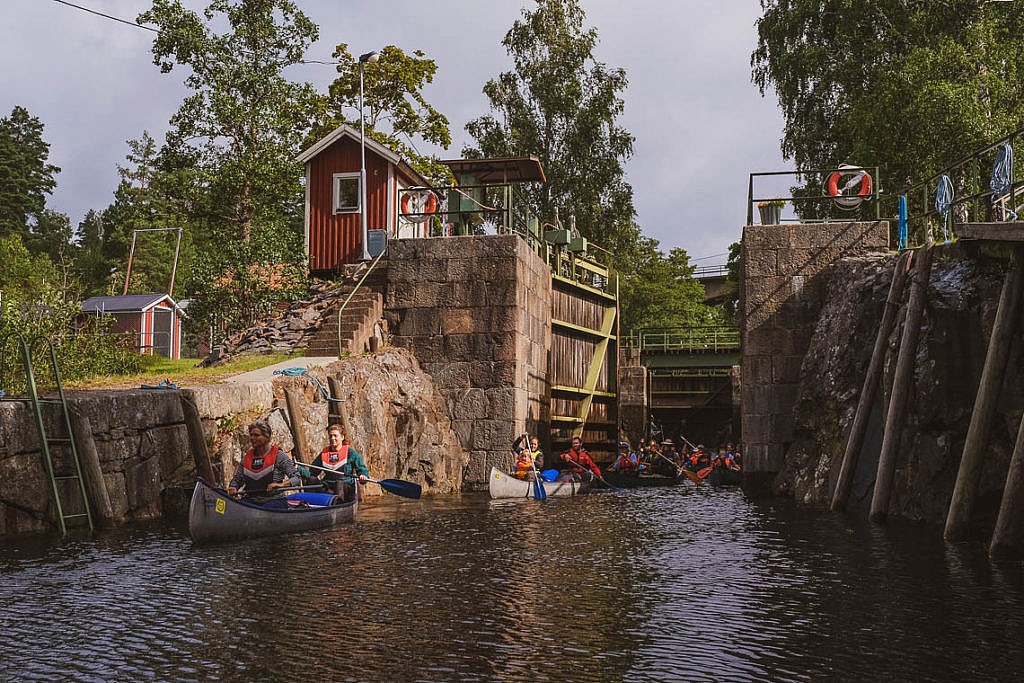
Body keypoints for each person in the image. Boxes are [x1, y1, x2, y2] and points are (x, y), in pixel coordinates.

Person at [227, 420, 300, 508]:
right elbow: (237, 479)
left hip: (274, 500)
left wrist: (281, 485)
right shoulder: (247, 458)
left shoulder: (279, 456)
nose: (252, 438)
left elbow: (296, 478)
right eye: (251, 435)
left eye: (257, 435)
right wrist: (233, 487)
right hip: (251, 500)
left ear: (267, 437)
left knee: (268, 508)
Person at [306, 423, 369, 502]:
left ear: (342, 437)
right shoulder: (324, 454)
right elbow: (312, 472)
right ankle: (310, 504)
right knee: (312, 479)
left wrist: (363, 476)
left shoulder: (351, 454)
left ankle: (338, 505)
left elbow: (362, 470)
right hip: (329, 487)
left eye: (335, 436)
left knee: (339, 483)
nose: (332, 438)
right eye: (330, 436)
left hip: (345, 488)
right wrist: (299, 469)